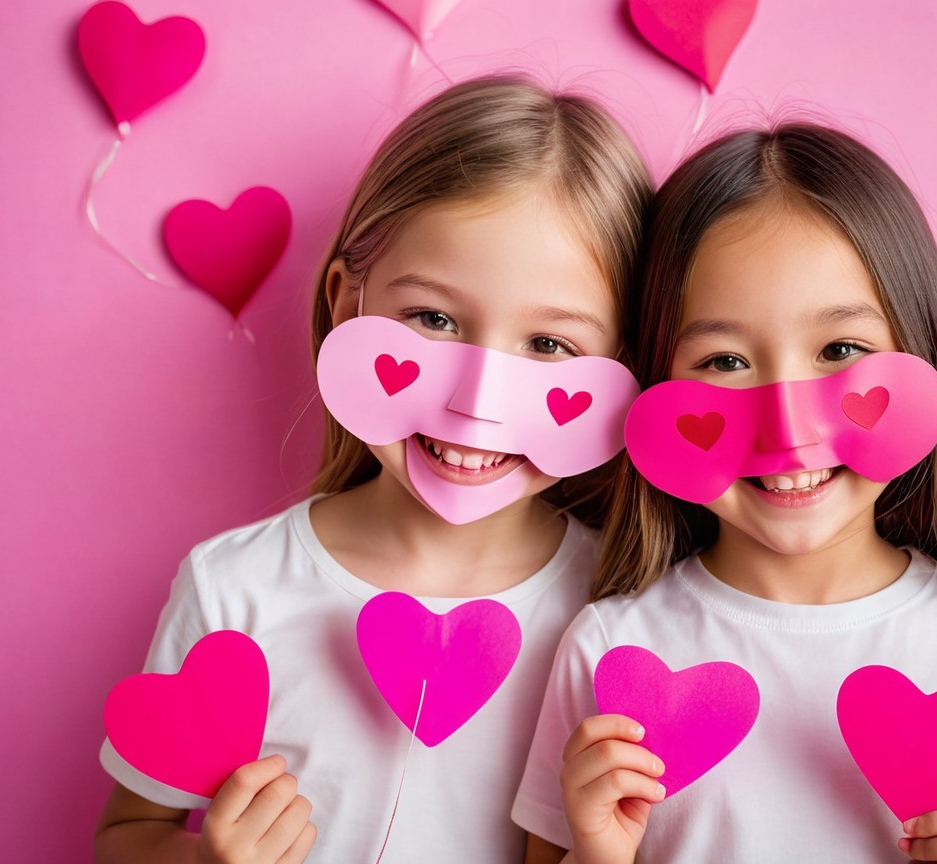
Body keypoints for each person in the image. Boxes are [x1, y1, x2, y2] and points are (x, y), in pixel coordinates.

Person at [94, 74, 651, 863]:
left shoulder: (623, 614)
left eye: (549, 345)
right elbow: (126, 835)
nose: (475, 405)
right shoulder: (236, 588)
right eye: (432, 319)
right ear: (344, 302)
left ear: (624, 366)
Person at [513, 124, 937, 863]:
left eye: (840, 351)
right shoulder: (610, 651)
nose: (786, 428)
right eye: (724, 360)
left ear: (921, 349)